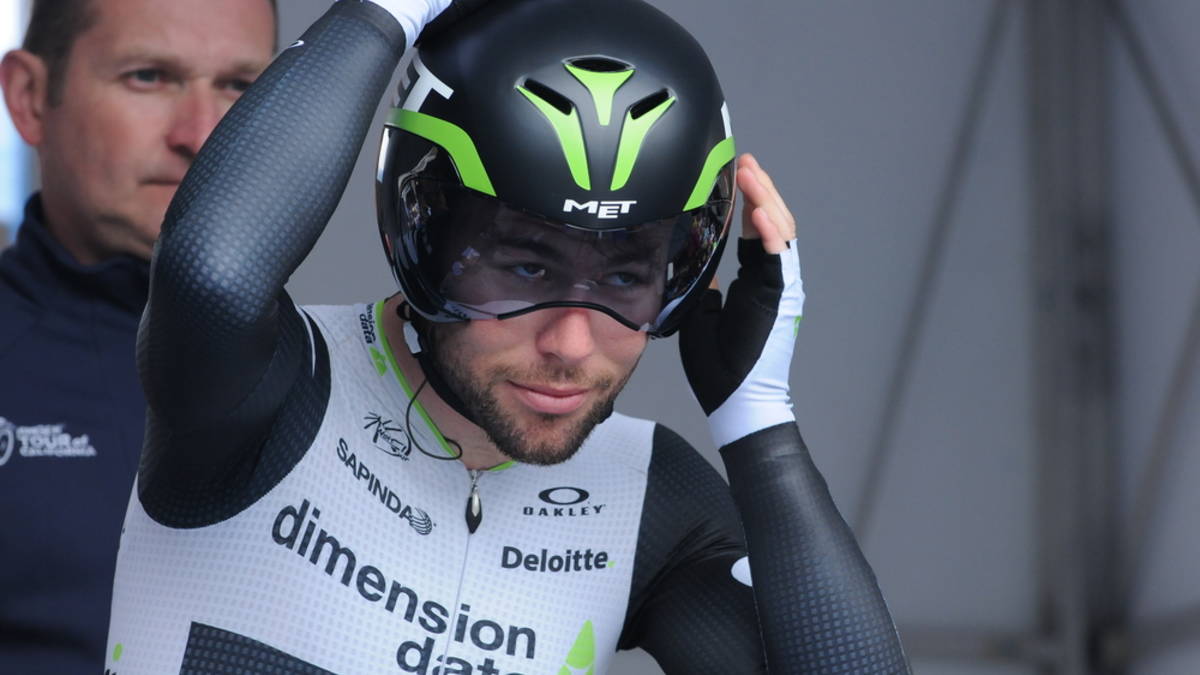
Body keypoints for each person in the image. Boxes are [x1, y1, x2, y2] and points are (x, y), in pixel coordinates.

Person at [106, 0, 910, 673]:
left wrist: (758, 422)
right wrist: (388, 9)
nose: (571, 343)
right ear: (423, 232)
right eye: (526, 268)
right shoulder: (272, 391)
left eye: (625, 278)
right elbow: (210, 277)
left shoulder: (648, 496)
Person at [0, 1, 276, 671]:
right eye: (149, 76)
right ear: (31, 97)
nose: (201, 133)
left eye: (239, 85)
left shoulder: (333, 370)